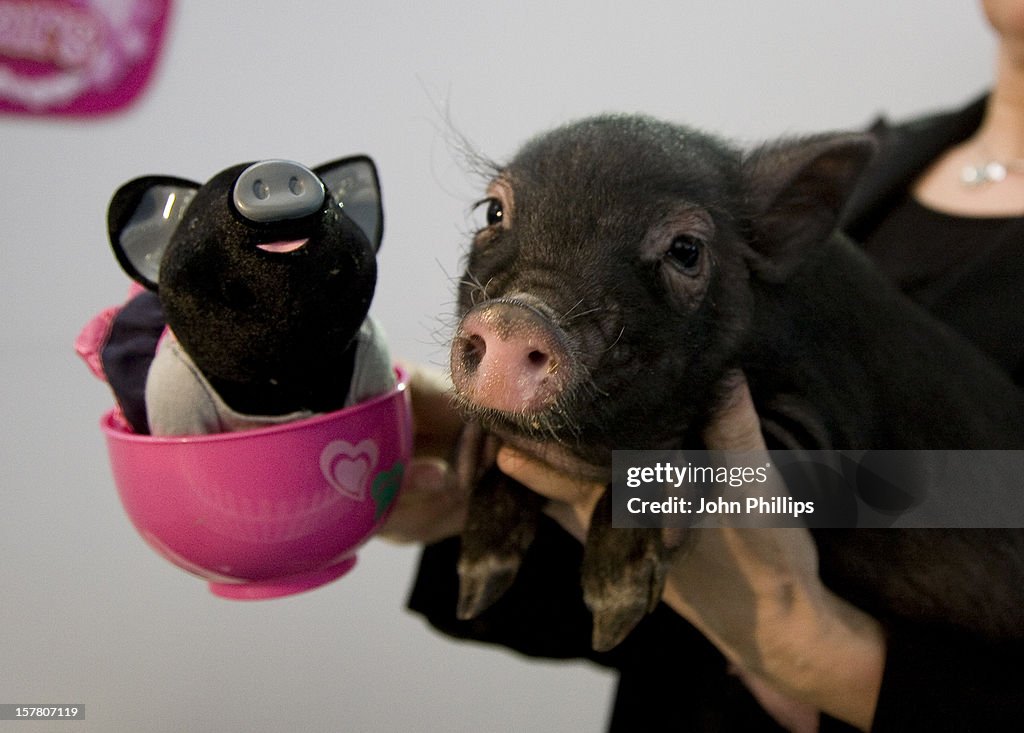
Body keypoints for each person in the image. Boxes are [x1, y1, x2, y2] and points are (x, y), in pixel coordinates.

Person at [384, 1, 1024, 729]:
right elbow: (635, 608)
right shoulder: (883, 161)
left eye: (683, 250)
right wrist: (474, 489)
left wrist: (819, 655)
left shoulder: (801, 204)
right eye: (494, 215)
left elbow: (965, 492)